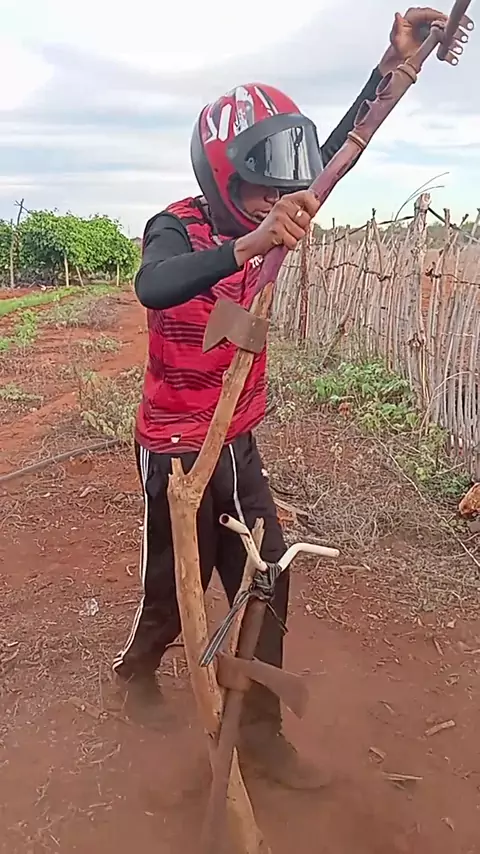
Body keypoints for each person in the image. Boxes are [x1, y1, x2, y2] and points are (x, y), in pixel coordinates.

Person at [114, 8, 449, 789]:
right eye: (264, 185)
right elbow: (153, 285)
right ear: (223, 176)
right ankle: (137, 671)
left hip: (236, 437)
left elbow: (339, 152)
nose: (284, 197)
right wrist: (246, 246)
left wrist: (391, 65)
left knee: (267, 575)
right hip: (173, 447)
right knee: (176, 583)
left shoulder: (283, 208)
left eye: (287, 184)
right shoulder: (178, 226)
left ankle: (259, 733)